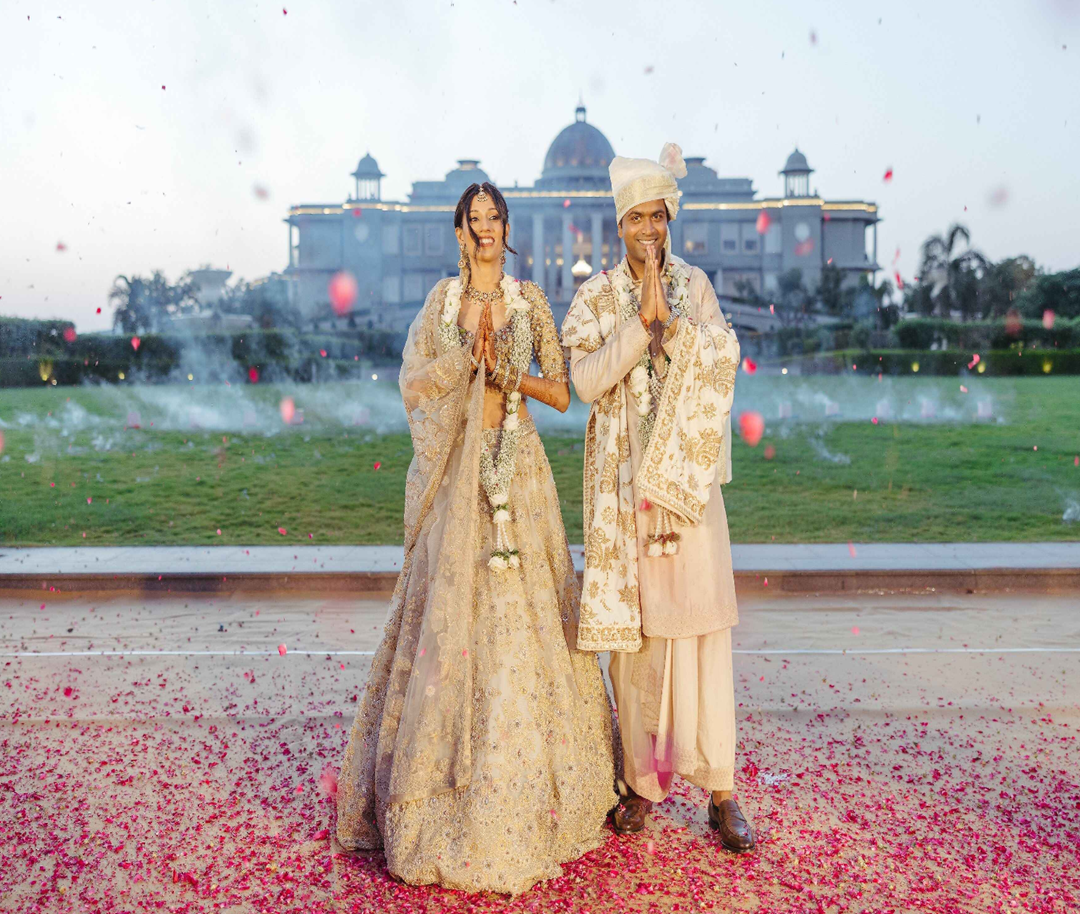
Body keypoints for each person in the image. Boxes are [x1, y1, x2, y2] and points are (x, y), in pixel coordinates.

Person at [336, 181, 618, 894]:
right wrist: (466, 364)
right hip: (460, 476)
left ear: (506, 228)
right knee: (449, 619)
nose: (486, 228)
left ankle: (529, 790)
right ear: (460, 231)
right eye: (475, 219)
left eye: (495, 218)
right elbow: (414, 385)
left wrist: (506, 375)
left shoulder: (529, 302)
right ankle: (438, 793)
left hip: (518, 470)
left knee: (524, 623)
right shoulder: (441, 303)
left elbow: (561, 389)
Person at [561, 144, 755, 852]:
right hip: (623, 493)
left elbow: (720, 360)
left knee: (701, 633)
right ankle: (642, 787)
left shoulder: (694, 285)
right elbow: (584, 382)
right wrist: (639, 326)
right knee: (638, 648)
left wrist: (670, 323)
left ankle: (722, 791)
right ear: (620, 225)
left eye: (658, 216)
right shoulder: (597, 297)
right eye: (637, 217)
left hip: (686, 494)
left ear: (670, 220)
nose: (649, 228)